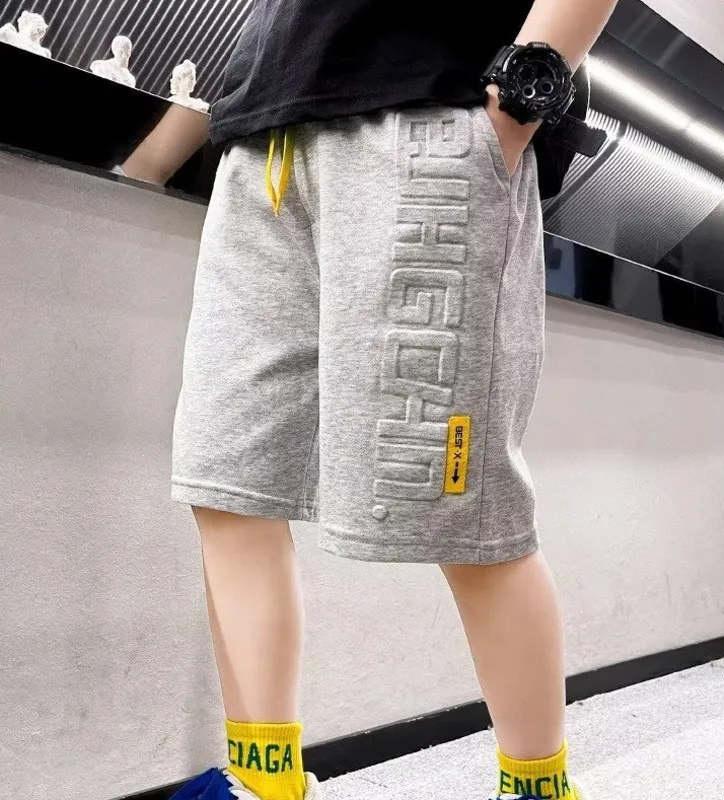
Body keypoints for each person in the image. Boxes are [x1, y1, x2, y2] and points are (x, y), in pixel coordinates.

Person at [169, 0, 618, 798]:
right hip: (262, 147)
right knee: (229, 480)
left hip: (426, 117)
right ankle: (263, 784)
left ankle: (537, 791)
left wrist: (516, 103)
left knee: (462, 511)